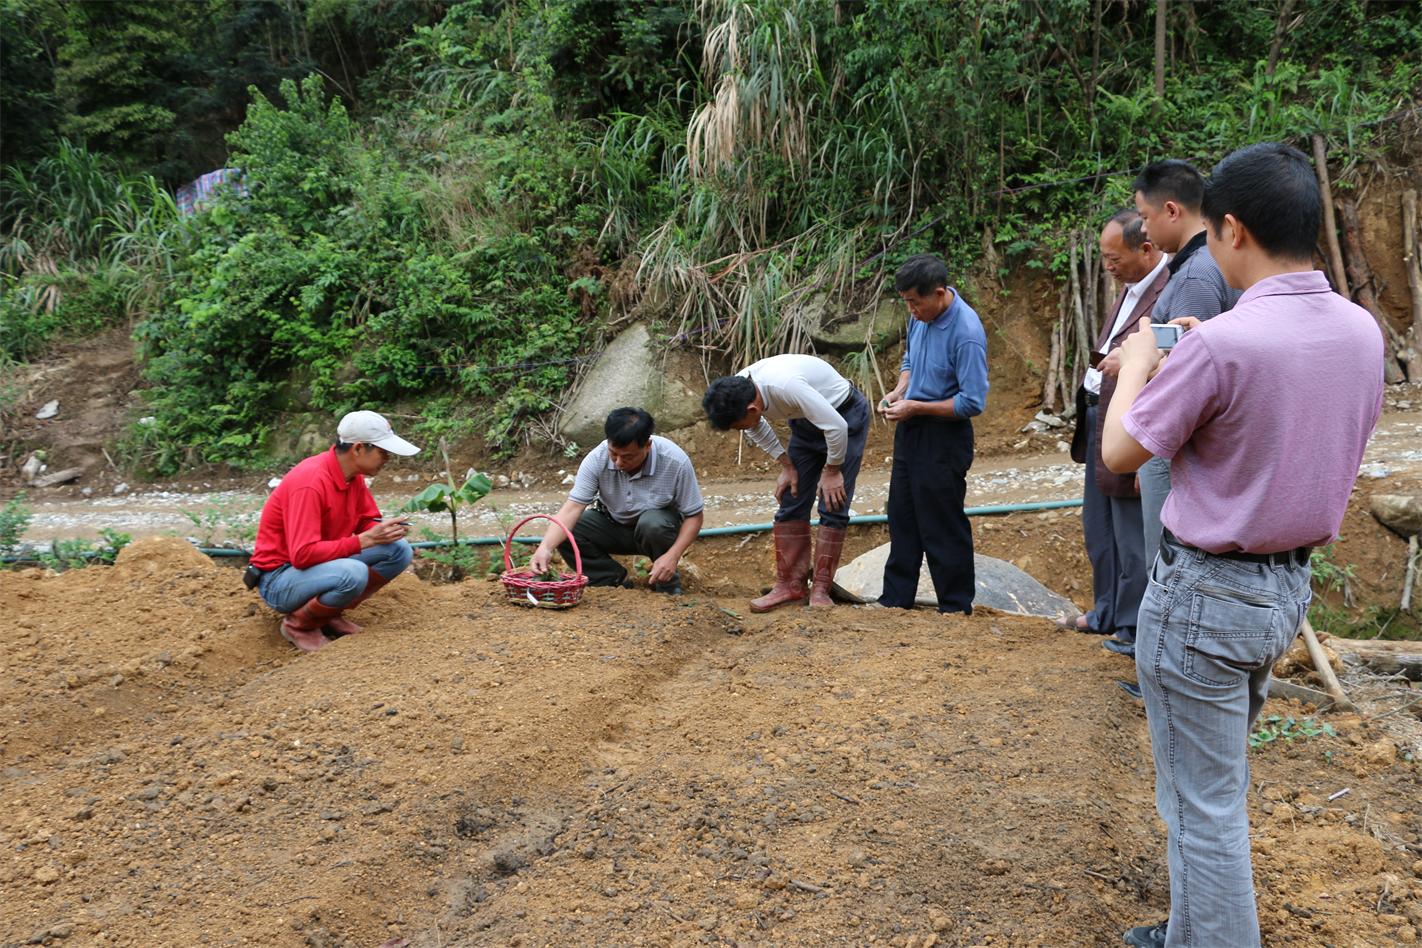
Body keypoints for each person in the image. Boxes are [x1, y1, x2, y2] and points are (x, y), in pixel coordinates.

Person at [1102, 142, 1384, 948]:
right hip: (1283, 594)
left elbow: (1122, 455)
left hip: (1202, 598)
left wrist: (1141, 362)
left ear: (1230, 229)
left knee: (1201, 804)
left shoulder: (1228, 345)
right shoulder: (1360, 332)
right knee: (1213, 789)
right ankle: (1191, 929)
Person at [1061, 210, 1169, 671]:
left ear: (1146, 250)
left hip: (1131, 426)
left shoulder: (1165, 294)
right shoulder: (1129, 290)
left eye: (1114, 258)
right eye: (1103, 258)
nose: (1108, 266)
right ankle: (1105, 609)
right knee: (1099, 528)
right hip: (1100, 419)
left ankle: (1130, 625)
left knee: (1131, 535)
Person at [1131, 159, 1243, 567]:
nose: (1142, 229)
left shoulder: (1195, 275)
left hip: (1176, 442)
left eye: (1145, 217)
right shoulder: (1202, 265)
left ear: (1172, 211)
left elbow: (1196, 380)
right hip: (1179, 443)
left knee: (1166, 563)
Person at [703, 354, 871, 611]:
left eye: (739, 426)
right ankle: (790, 587)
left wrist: (832, 470)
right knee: (791, 498)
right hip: (804, 420)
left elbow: (836, 427)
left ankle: (821, 590)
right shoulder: (740, 388)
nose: (742, 430)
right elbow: (754, 426)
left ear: (752, 409)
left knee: (833, 501)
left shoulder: (786, 386)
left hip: (844, 415)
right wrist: (787, 464)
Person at [249, 410, 420, 652]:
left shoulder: (352, 477)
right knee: (353, 573)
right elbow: (302, 555)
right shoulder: (310, 483)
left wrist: (383, 532)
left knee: (398, 550)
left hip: (314, 568)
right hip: (280, 579)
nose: (388, 459)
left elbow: (366, 522)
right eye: (383, 452)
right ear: (359, 449)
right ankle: (299, 625)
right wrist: (363, 540)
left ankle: (327, 613)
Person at [878, 254, 988, 614]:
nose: (910, 309)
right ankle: (895, 600)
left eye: (915, 301)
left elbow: (972, 402)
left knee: (941, 520)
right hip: (911, 429)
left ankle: (955, 607)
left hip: (944, 436)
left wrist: (918, 407)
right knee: (902, 514)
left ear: (939, 293)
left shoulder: (966, 333)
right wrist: (899, 391)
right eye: (905, 301)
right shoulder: (920, 318)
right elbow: (911, 359)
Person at [529, 407, 703, 593]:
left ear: (647, 446)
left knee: (653, 524)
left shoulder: (674, 461)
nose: (618, 462)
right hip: (613, 526)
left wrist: (673, 556)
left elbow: (694, 516)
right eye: (614, 454)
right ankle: (611, 580)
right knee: (567, 530)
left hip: (658, 532)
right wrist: (545, 547)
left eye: (628, 457)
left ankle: (668, 586)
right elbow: (572, 508)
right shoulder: (596, 459)